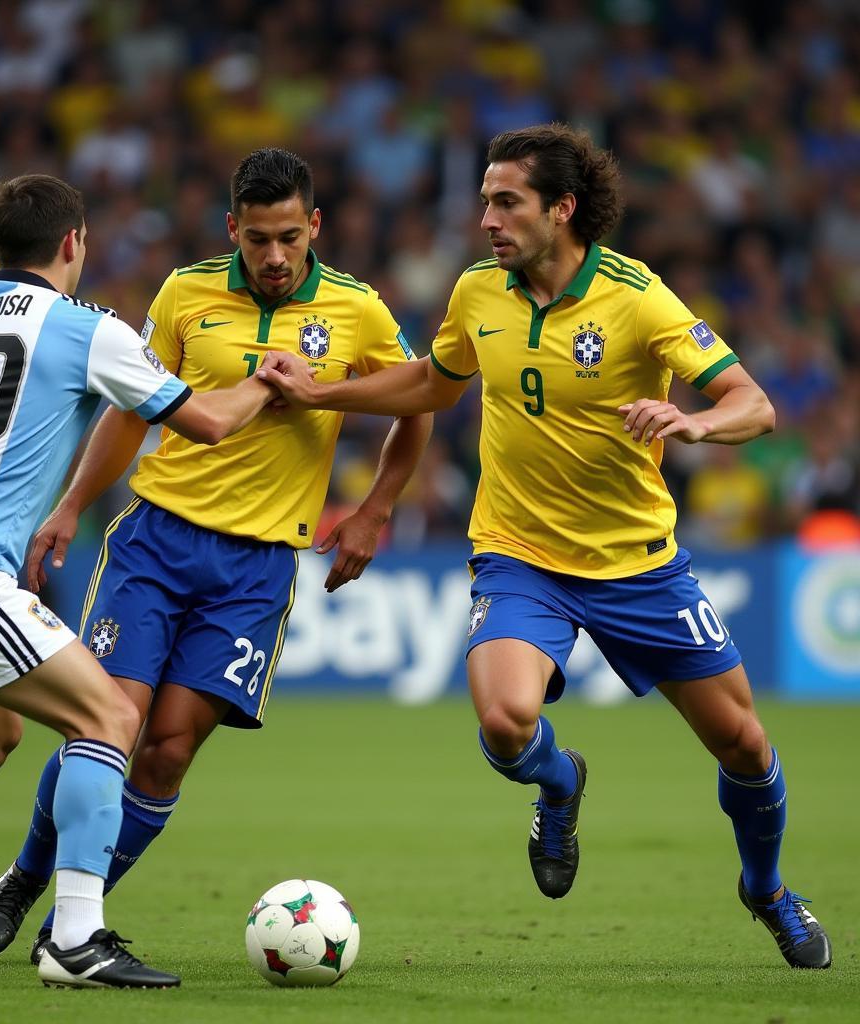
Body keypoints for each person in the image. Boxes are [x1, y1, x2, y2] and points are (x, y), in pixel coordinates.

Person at [257, 124, 832, 970]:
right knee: (503, 722)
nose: (486, 217)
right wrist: (324, 395)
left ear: (562, 209)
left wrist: (695, 420)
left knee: (744, 745)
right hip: (520, 554)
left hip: (637, 563)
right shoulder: (478, 293)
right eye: (485, 199)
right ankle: (561, 785)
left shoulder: (638, 299)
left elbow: (754, 403)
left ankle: (768, 892)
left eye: (506, 201)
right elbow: (430, 382)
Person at [0, 148, 432, 962]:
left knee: (171, 748)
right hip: (157, 541)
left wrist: (374, 510)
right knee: (108, 726)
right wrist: (71, 505)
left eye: (290, 236)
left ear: (315, 225)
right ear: (233, 230)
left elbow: (417, 399)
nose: (276, 256)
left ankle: (70, 925)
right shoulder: (185, 292)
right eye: (258, 239)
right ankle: (27, 873)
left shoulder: (358, 311)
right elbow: (128, 413)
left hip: (256, 570)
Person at [0, 173, 285, 989]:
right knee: (109, 717)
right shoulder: (88, 328)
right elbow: (211, 424)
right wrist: (266, 378)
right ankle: (76, 938)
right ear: (73, 243)